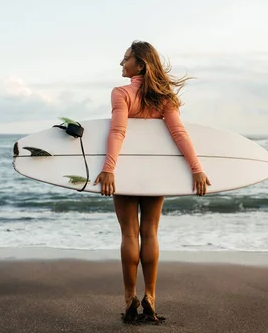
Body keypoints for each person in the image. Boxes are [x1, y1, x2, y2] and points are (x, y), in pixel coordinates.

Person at [93, 40, 211, 323]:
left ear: (140, 64)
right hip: (156, 174)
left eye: (125, 59)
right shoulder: (165, 98)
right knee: (151, 233)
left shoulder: (121, 93)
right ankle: (151, 297)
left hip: (126, 173)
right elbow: (179, 134)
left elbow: (118, 131)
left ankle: (129, 297)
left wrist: (109, 169)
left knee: (130, 235)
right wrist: (196, 169)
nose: (121, 64)